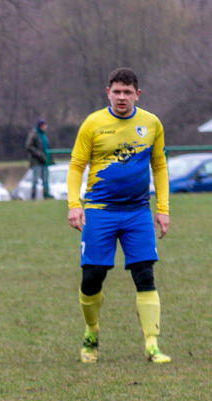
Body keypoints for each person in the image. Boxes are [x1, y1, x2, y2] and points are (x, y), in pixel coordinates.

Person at [66, 67, 171, 364]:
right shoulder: (93, 123)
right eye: (117, 91)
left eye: (127, 92)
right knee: (93, 277)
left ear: (137, 94)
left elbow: (160, 168)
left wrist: (162, 209)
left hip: (138, 212)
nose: (122, 97)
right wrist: (74, 204)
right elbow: (76, 167)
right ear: (108, 93)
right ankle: (91, 333)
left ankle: (152, 344)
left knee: (144, 274)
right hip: (99, 212)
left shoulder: (151, 123)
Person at [25, 118, 54, 199]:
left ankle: (46, 194)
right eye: (44, 125)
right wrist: (39, 154)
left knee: (45, 179)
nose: (46, 127)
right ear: (40, 126)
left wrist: (50, 159)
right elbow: (29, 146)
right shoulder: (34, 134)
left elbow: (47, 148)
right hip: (36, 161)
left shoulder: (44, 135)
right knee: (35, 180)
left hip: (45, 161)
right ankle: (33, 195)